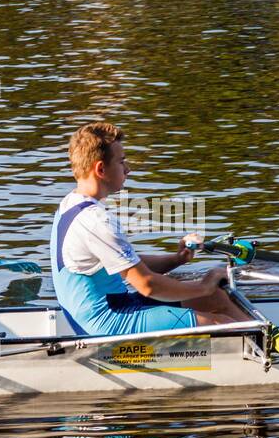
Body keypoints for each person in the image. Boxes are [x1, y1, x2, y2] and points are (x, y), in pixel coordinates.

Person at [50, 121, 242, 336]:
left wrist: (176, 260)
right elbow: (148, 285)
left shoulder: (70, 204)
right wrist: (203, 286)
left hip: (117, 305)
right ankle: (267, 353)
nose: (128, 169)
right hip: (108, 324)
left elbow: (126, 263)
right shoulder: (96, 221)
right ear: (101, 169)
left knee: (216, 297)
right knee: (224, 324)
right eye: (122, 162)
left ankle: (272, 341)